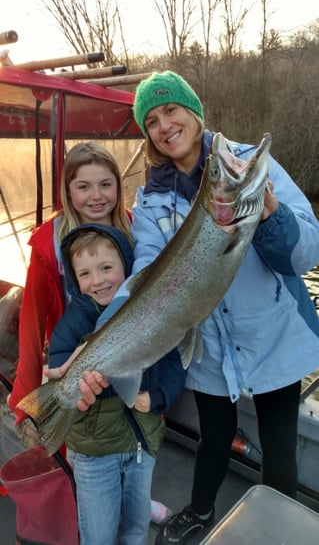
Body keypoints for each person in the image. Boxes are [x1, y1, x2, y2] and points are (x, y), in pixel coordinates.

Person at [46, 71, 319, 544]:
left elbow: (307, 254)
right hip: (206, 343)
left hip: (272, 338)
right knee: (214, 436)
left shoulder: (252, 164)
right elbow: (143, 276)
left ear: (192, 110)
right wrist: (94, 348)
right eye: (151, 120)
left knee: (279, 450)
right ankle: (200, 509)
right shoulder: (150, 198)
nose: (164, 125)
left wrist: (271, 215)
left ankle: (279, 533)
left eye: (170, 110)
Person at [47, 223, 186, 545]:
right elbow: (59, 364)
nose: (97, 281)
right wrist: (83, 384)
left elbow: (173, 362)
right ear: (74, 279)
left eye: (106, 268)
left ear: (127, 266)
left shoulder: (151, 313)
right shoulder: (72, 323)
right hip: (94, 454)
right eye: (85, 274)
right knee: (98, 533)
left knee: (137, 527)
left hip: (142, 445)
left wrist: (160, 395)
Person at [8, 142, 132, 425]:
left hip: (128, 360)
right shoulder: (47, 245)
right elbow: (32, 322)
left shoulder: (133, 228)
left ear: (118, 186)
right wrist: (25, 401)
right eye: (83, 187)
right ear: (68, 190)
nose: (97, 196)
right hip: (74, 364)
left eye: (105, 184)